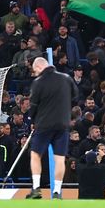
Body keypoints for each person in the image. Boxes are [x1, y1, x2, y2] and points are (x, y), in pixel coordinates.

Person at [26, 55, 77, 199]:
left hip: (44, 124)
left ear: (38, 67)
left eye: (35, 71)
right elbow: (75, 96)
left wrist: (32, 120)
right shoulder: (66, 78)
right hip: (62, 124)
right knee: (59, 158)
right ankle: (57, 192)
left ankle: (36, 188)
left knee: (35, 154)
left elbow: (33, 105)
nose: (35, 74)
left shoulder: (38, 82)